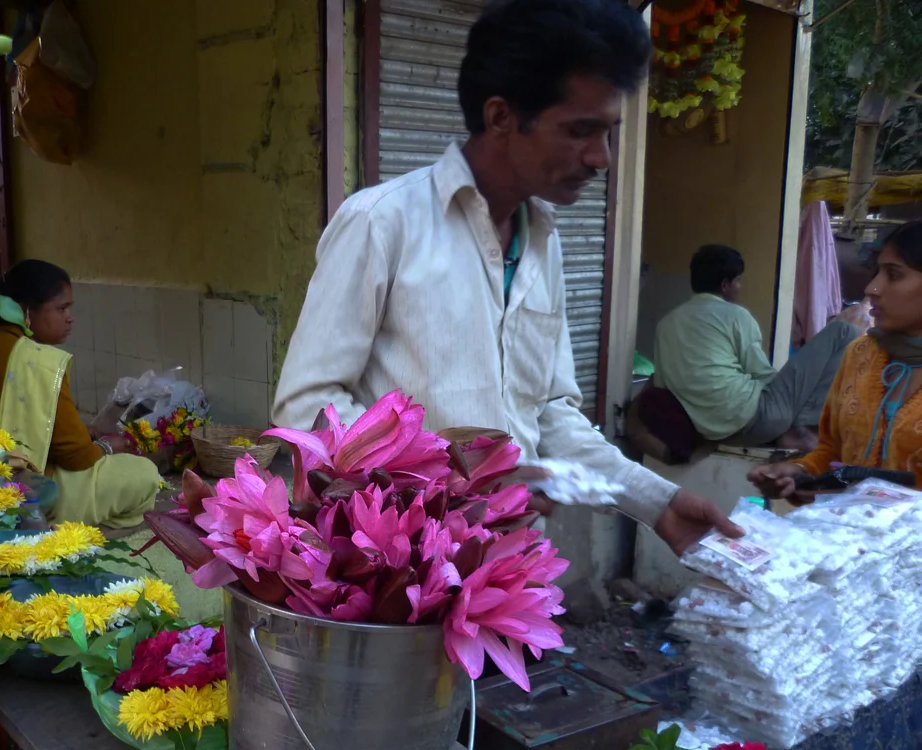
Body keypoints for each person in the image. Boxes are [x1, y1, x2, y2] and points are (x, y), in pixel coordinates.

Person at [270, 0, 740, 554]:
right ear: (500, 118)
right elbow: (307, 406)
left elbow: (549, 413)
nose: (602, 158)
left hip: (508, 572)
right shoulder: (381, 222)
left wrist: (656, 502)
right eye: (580, 131)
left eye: (609, 132)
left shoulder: (544, 240)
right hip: (394, 569)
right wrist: (453, 484)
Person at [0, 259, 160, 528]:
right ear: (26, 311)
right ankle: (56, 524)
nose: (70, 317)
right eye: (61, 308)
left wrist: (84, 432)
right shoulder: (36, 360)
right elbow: (77, 457)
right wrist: (108, 447)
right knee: (143, 473)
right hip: (16, 489)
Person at [750, 220, 922, 500]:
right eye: (876, 272)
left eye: (893, 274)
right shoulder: (860, 354)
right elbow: (832, 453)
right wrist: (801, 474)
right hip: (848, 538)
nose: (872, 288)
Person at [654, 245, 859, 451]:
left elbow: (662, 385)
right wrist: (797, 390)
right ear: (726, 285)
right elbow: (761, 373)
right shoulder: (734, 315)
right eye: (739, 281)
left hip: (707, 430)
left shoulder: (666, 323)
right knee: (844, 331)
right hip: (757, 421)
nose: (740, 288)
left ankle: (793, 426)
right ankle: (801, 429)